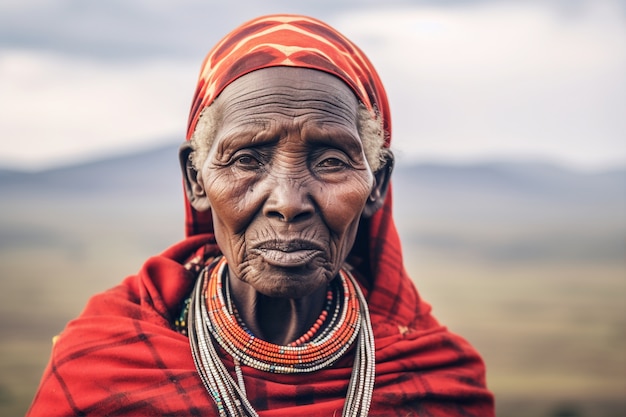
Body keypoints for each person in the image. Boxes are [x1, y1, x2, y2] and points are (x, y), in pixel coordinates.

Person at [27, 14, 494, 416]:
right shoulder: (104, 364)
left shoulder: (438, 380)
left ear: (378, 185)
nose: (288, 202)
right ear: (195, 180)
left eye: (331, 161)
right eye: (247, 159)